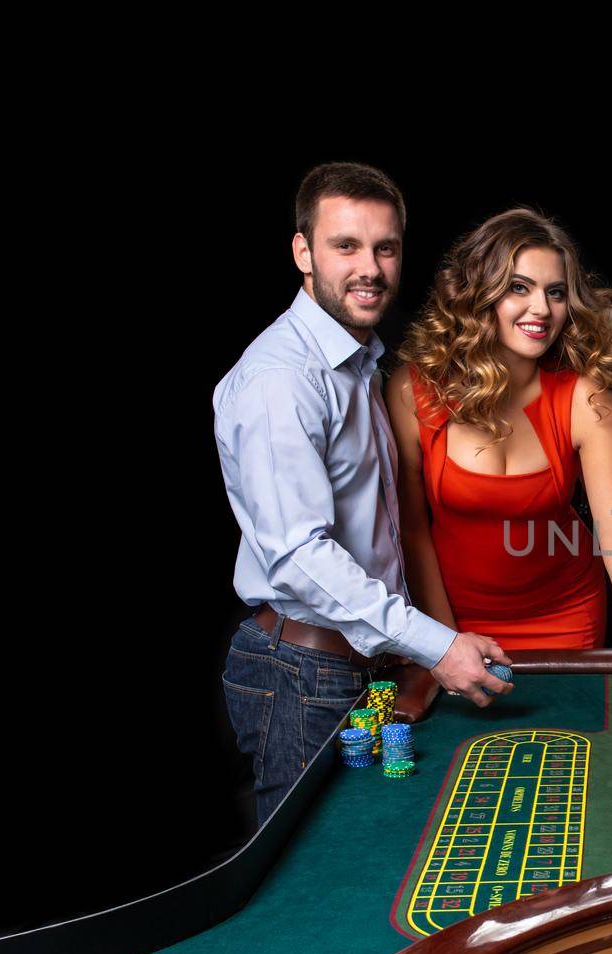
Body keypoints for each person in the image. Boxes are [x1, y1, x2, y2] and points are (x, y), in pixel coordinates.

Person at [214, 162, 511, 825]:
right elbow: (299, 557)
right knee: (308, 888)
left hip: (358, 663)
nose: (369, 267)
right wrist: (435, 644)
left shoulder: (359, 362)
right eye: (345, 246)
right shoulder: (280, 380)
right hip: (299, 673)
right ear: (303, 252)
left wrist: (409, 649)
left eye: (385, 247)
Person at [387, 208, 612, 718]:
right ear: (478, 294)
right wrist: (441, 645)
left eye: (556, 292)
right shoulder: (414, 391)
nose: (542, 308)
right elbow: (414, 532)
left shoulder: (584, 397)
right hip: (458, 625)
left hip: (568, 619)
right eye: (519, 287)